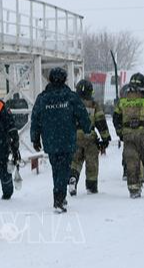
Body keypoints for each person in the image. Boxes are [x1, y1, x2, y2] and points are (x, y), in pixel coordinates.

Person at [30, 67, 91, 212]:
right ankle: (59, 199)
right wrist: (87, 128)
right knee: (64, 169)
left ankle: (60, 196)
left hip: (50, 141)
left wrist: (35, 139)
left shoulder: (43, 98)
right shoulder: (70, 96)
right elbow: (82, 114)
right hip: (67, 139)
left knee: (56, 169)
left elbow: (35, 119)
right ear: (64, 79)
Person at [69, 79, 111, 196]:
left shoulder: (71, 104)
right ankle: (91, 187)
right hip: (89, 138)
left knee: (75, 161)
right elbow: (100, 122)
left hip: (74, 137)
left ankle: (72, 178)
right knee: (91, 163)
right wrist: (105, 138)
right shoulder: (94, 105)